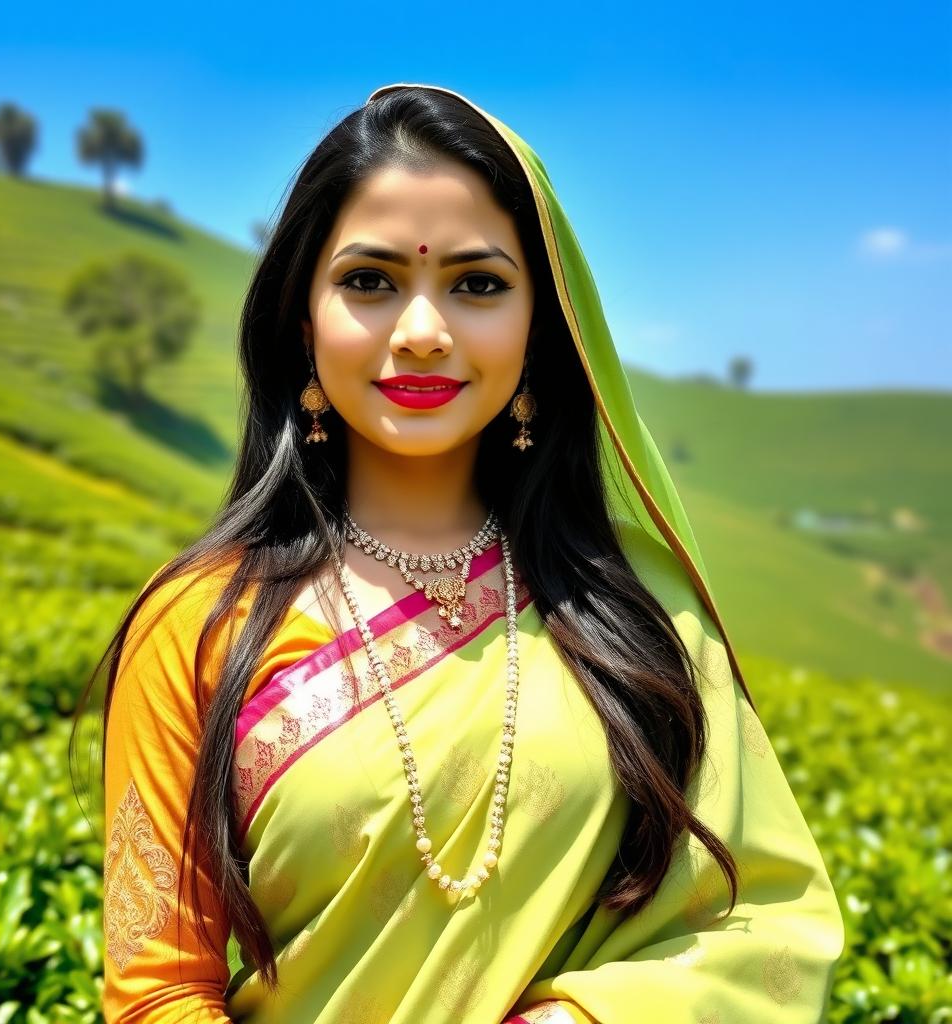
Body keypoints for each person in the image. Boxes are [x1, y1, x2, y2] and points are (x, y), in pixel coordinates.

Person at [94, 82, 845, 1023]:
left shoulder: (637, 607)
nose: (421, 332)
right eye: (369, 281)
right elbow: (156, 991)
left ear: (541, 328)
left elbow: (763, 924)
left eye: (478, 284)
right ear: (302, 317)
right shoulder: (201, 623)